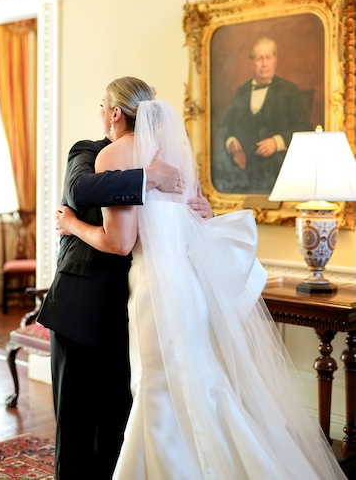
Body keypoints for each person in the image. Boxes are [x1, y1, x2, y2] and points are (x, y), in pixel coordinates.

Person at [57, 76, 346, 479]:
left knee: (157, 390)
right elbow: (189, 220)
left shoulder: (115, 157)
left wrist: (71, 224)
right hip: (188, 289)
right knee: (201, 385)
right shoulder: (174, 160)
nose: (100, 114)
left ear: (116, 113)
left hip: (153, 293)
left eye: (102, 106)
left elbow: (120, 243)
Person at [37, 87, 213, 480]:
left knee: (119, 423)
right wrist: (147, 177)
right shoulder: (90, 150)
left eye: (102, 106)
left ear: (115, 112)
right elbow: (79, 190)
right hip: (81, 306)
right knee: (76, 421)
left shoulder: (168, 159)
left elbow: (185, 217)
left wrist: (204, 209)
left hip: (136, 307)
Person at [217, 37, 313, 194]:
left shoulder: (289, 90)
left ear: (275, 59)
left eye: (268, 57)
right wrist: (231, 142)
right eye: (259, 58)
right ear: (252, 61)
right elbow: (227, 126)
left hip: (276, 169)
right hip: (242, 170)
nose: (264, 63)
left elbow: (305, 128)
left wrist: (277, 142)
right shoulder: (242, 91)